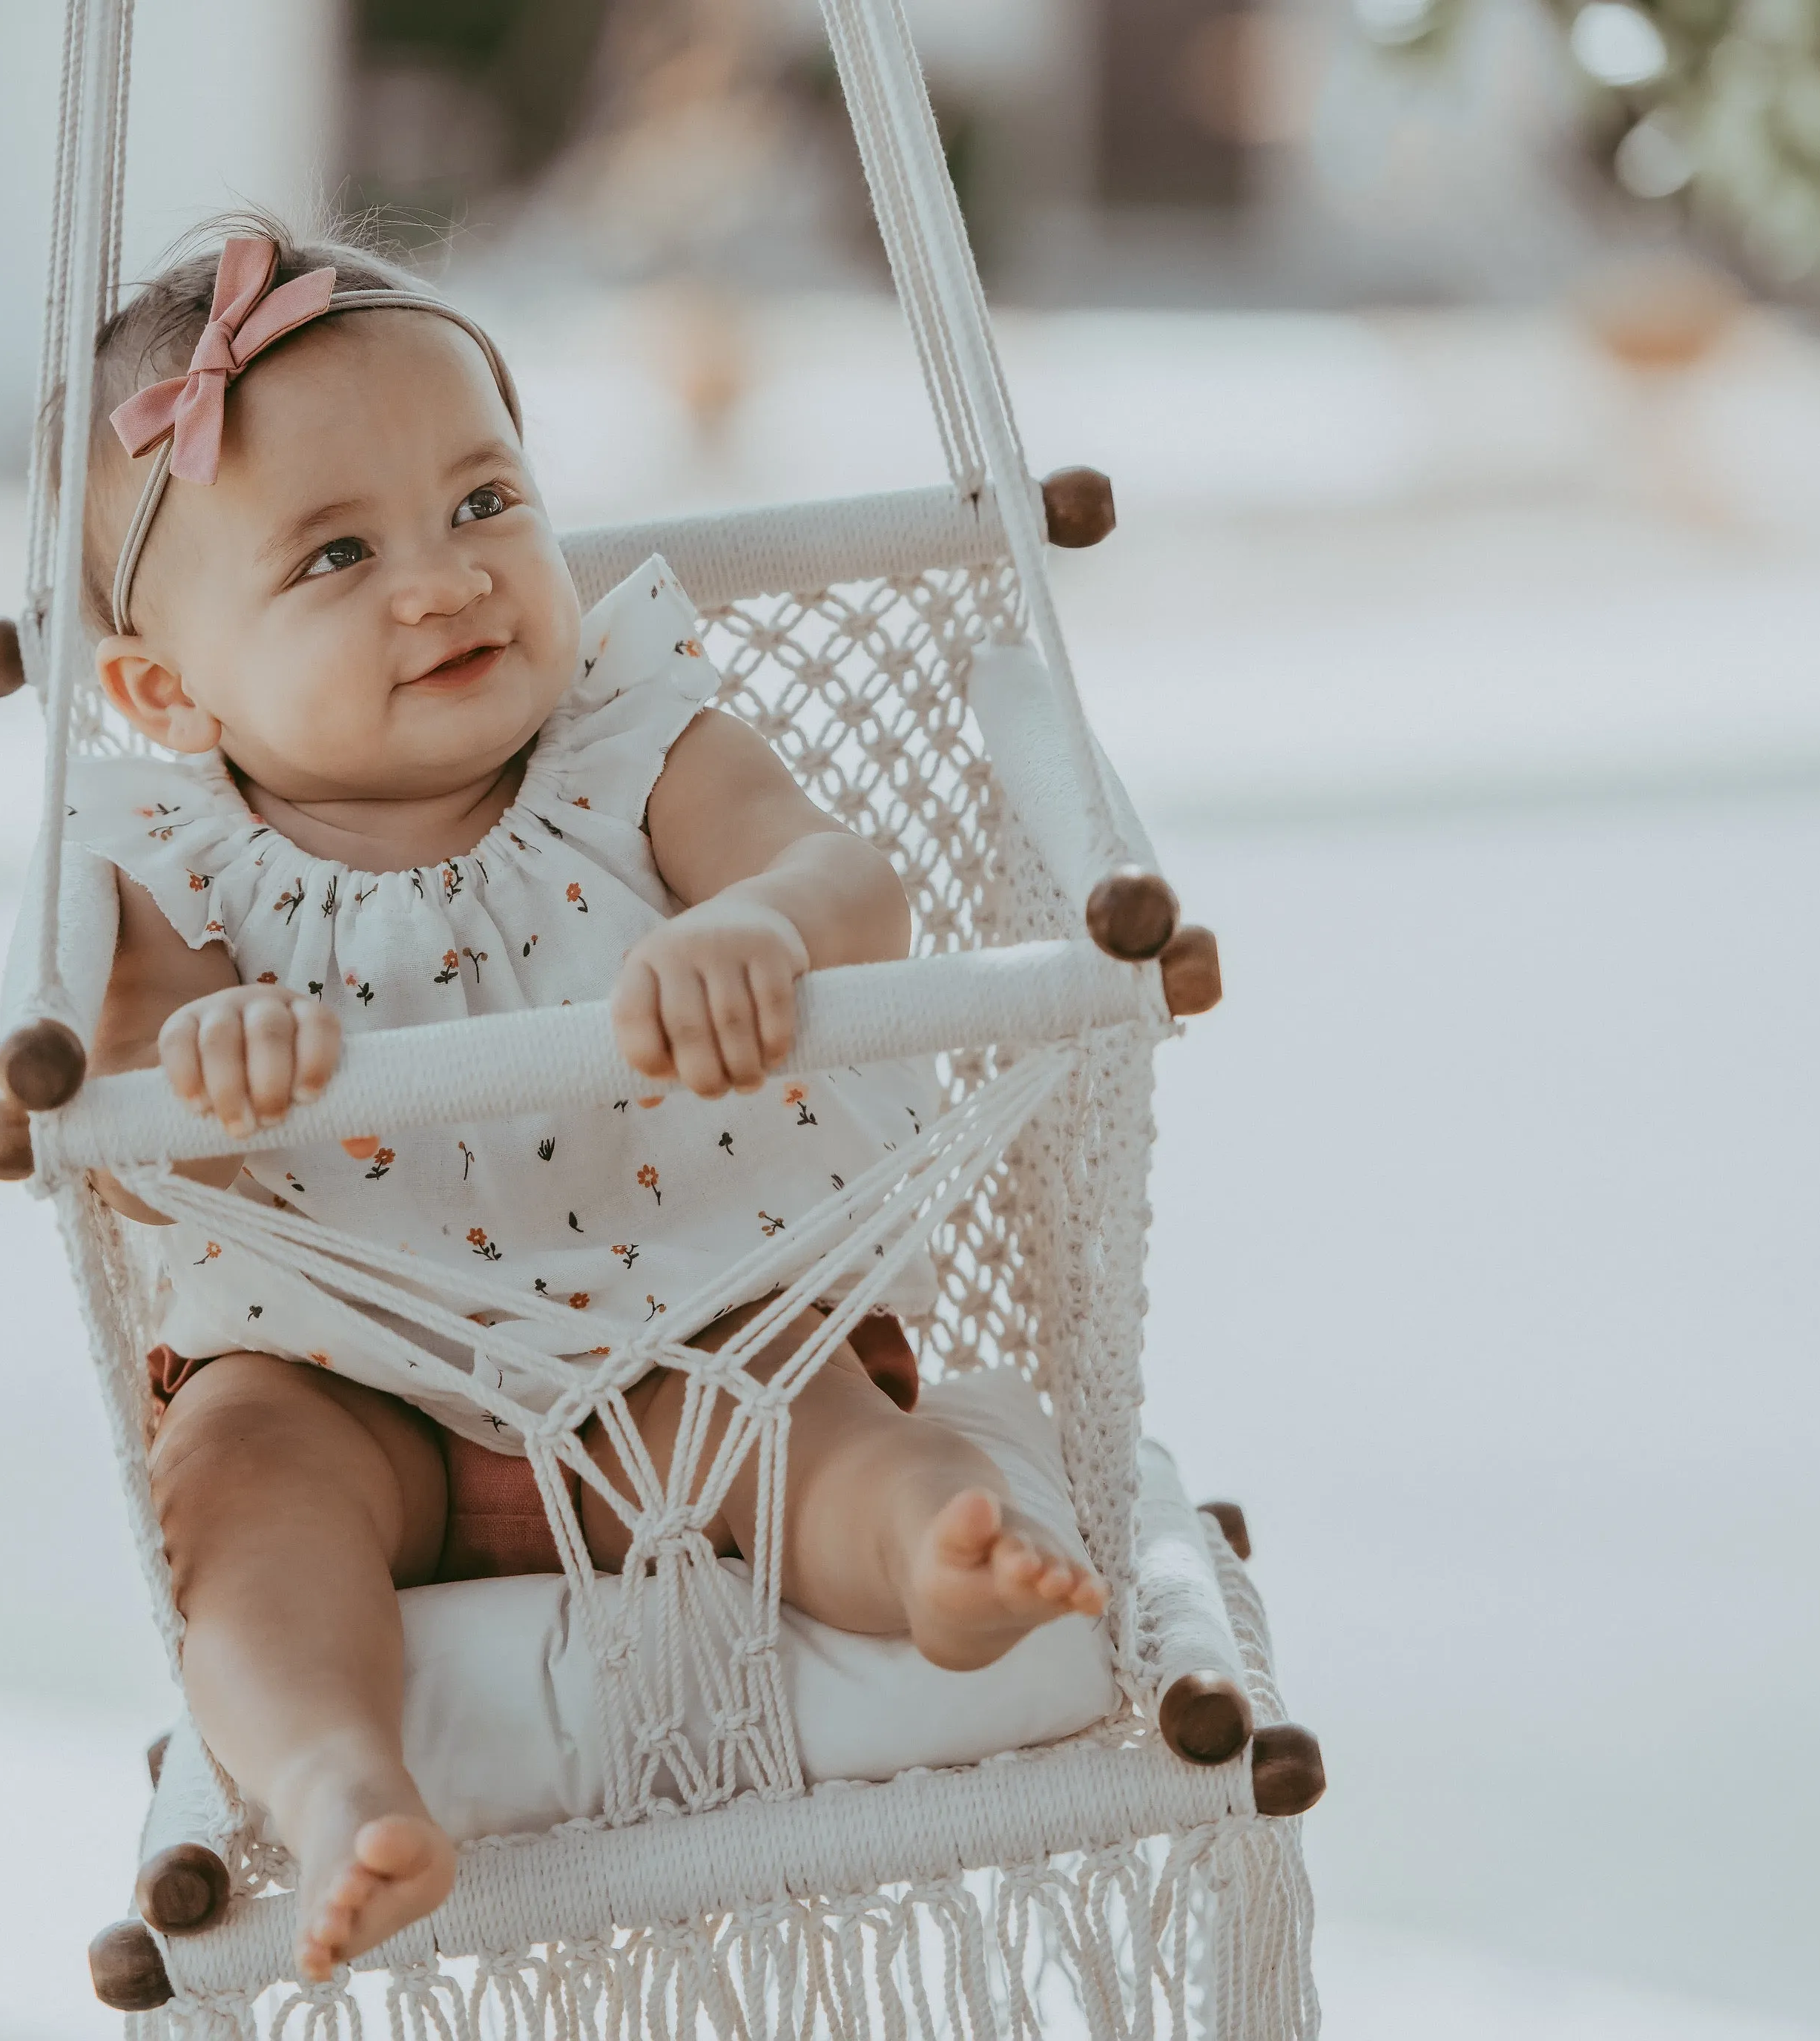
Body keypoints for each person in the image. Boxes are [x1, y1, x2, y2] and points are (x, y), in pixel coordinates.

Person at [66, 218, 1104, 1981]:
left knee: (817, 1436)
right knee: (235, 1487)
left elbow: (839, 875)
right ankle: (336, 1783)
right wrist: (198, 1064)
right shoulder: (160, 857)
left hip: (687, 1337)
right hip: (346, 1367)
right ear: (168, 690)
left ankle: (939, 1554)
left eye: (485, 505)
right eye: (336, 552)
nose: (445, 581)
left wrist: (761, 930)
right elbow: (127, 1079)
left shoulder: (633, 739)